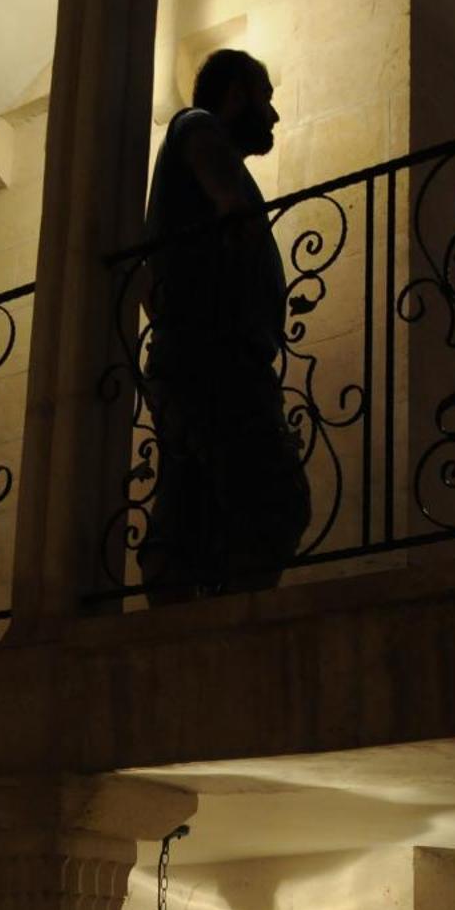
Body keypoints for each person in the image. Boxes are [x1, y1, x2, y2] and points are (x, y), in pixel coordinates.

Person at [139, 49, 310, 603]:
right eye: (267, 97)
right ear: (237, 94)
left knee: (189, 509)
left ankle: (180, 629)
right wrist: (233, 207)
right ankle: (235, 623)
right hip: (215, 360)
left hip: (198, 357)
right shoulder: (196, 125)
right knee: (278, 501)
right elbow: (210, 161)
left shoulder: (198, 149)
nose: (275, 115)